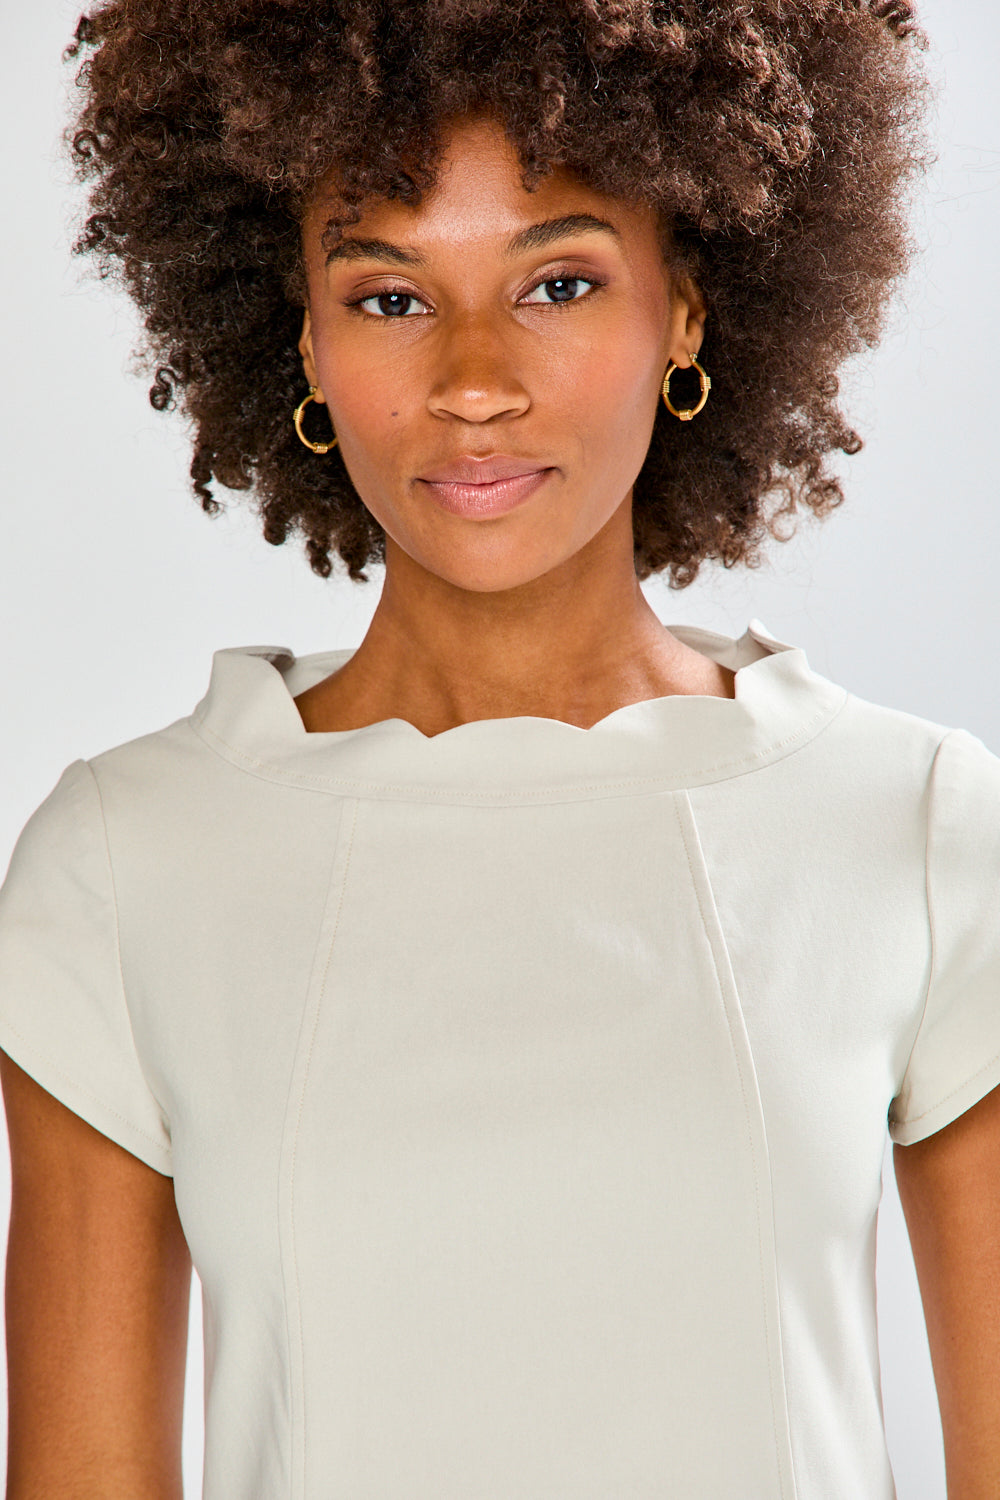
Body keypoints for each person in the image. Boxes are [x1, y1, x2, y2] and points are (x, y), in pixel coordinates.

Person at [1, 2, 998, 1496]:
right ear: (305, 334)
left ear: (687, 310)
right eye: (390, 296)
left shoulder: (915, 827)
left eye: (559, 282)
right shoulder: (125, 863)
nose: (474, 382)